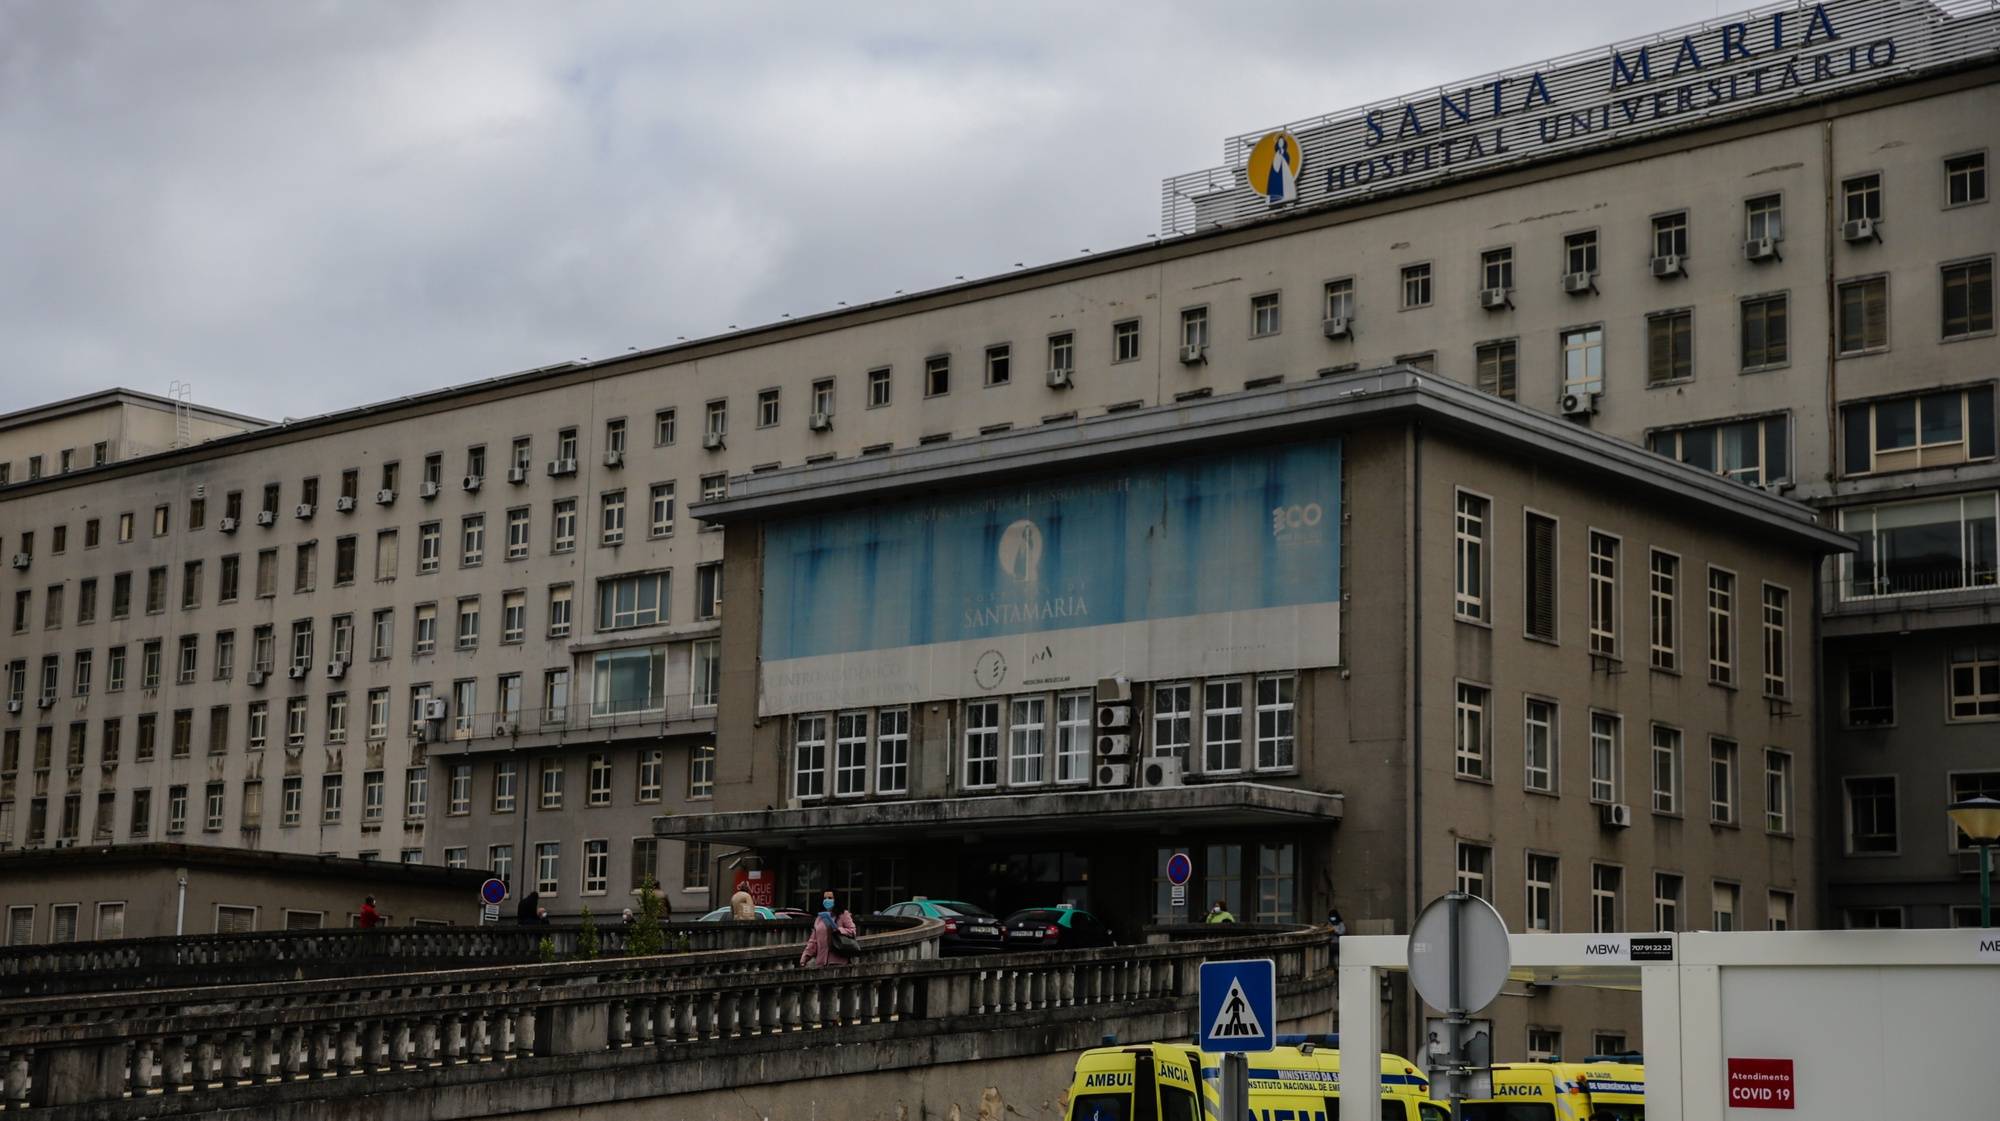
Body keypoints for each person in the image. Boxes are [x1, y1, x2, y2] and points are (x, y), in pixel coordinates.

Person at [799, 890, 857, 968]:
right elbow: (813, 941)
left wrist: (838, 930)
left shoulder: (843, 914)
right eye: (825, 898)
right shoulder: (819, 918)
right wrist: (805, 957)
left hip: (838, 960)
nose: (827, 900)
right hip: (821, 962)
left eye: (830, 898)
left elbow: (852, 931)